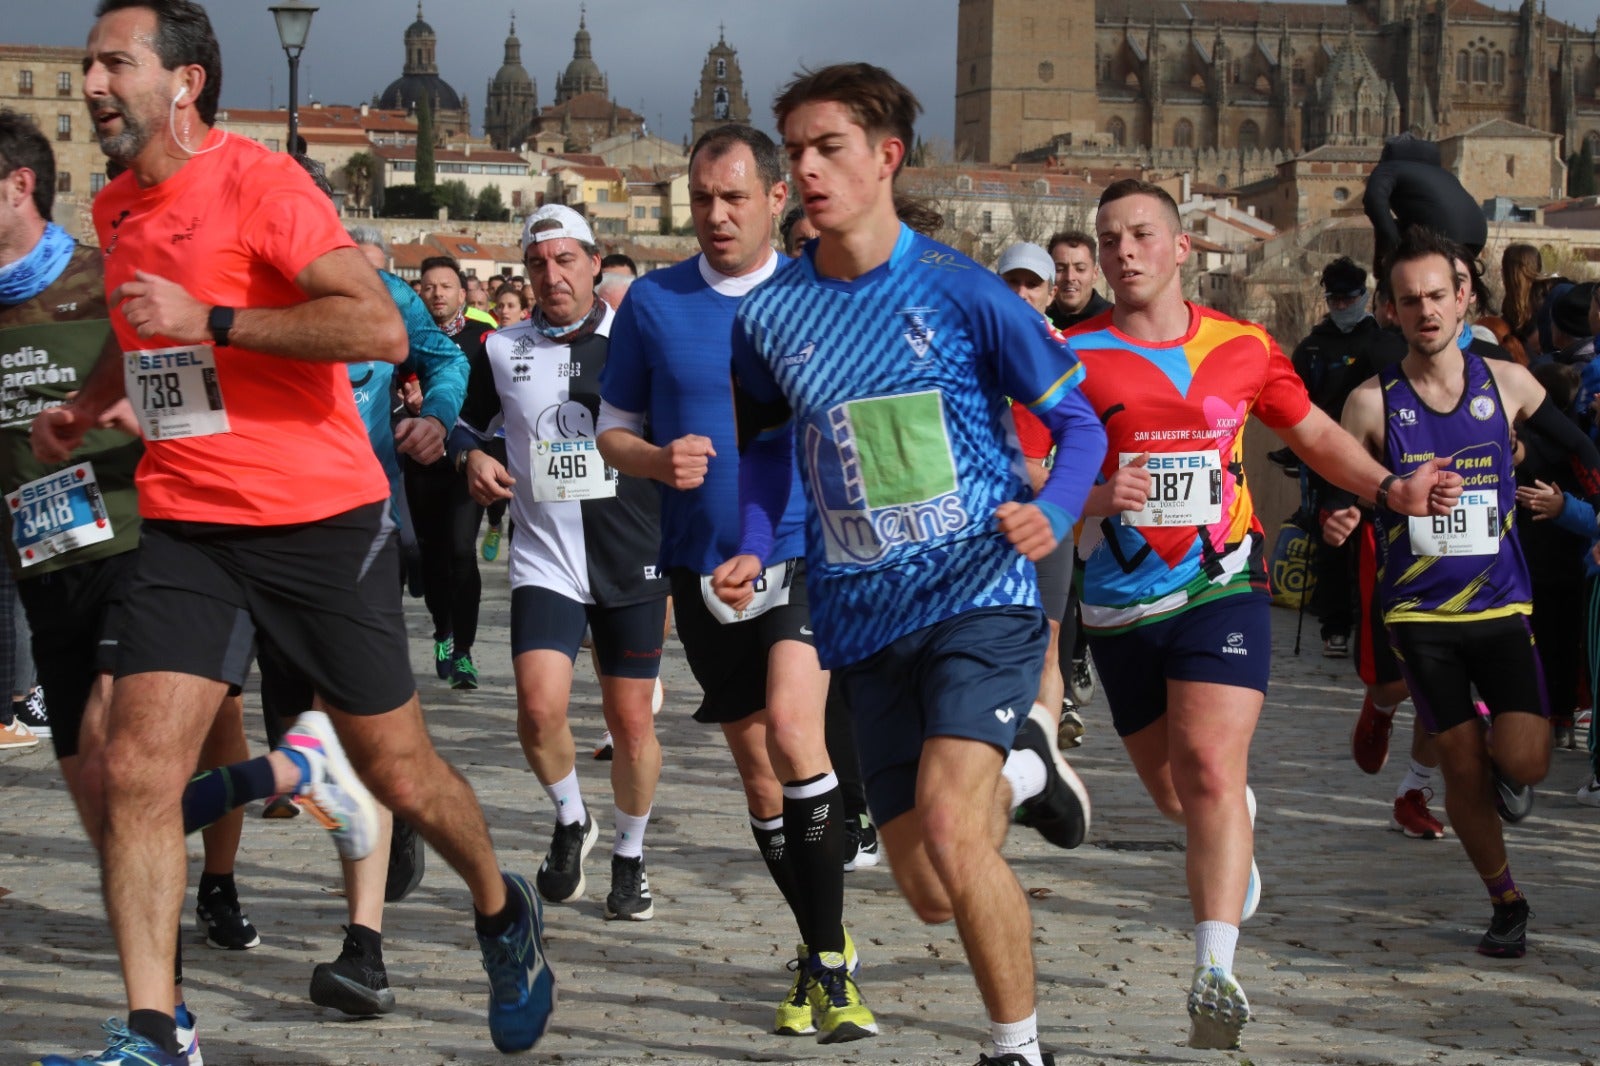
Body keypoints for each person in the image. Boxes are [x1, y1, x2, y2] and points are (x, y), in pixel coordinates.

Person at [31, 4, 553, 1061]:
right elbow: (143, 328)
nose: (89, 82)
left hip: (319, 521)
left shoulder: (264, 185)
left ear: (183, 82)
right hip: (184, 520)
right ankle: (152, 1030)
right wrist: (90, 404)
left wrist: (215, 321)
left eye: (110, 63)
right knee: (134, 768)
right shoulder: (119, 202)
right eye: (87, 62)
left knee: (396, 769)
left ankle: (502, 908)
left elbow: (373, 325)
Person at [710, 69, 1103, 1066]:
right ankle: (1025, 766)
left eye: (826, 146)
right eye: (793, 149)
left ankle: (1017, 1049)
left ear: (885, 157)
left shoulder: (963, 292)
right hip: (861, 618)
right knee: (928, 887)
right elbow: (761, 448)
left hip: (979, 594)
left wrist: (1053, 510)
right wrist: (754, 539)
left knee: (945, 821)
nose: (803, 168)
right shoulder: (769, 316)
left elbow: (1076, 421)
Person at [1068, 179, 1459, 1050]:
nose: (1122, 252)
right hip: (1122, 604)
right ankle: (1228, 825)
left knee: (1206, 766)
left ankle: (1215, 967)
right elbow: (1024, 470)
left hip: (1223, 586)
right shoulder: (1068, 354)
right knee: (1179, 794)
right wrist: (1095, 492)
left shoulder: (1243, 346)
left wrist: (1391, 486)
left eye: (1139, 235)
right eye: (1108, 240)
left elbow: (1314, 434)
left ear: (1181, 249)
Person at [598, 123, 879, 1043]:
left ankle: (832, 967)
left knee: (797, 733)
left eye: (733, 198)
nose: (716, 216)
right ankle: (817, 946)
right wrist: (654, 458)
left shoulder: (824, 295)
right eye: (701, 201)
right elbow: (611, 432)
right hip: (700, 563)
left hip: (809, 553)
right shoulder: (652, 304)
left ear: (774, 201)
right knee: (761, 775)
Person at [1334, 225, 1600, 962]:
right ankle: (1506, 901)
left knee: (1529, 761)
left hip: (1502, 605)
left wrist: (1522, 456)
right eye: (1408, 300)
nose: (1424, 311)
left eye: (1436, 297)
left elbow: (1574, 445)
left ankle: (1503, 765)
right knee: (1459, 765)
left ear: (1464, 300)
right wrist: (1346, 510)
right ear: (1390, 310)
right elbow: (1342, 483)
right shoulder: (1370, 403)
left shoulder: (1507, 383)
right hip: (1419, 615)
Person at [451, 204, 669, 922]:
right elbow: (467, 427)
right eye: (539, 264)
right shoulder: (499, 348)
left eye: (566, 260)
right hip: (545, 556)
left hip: (632, 555)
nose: (552, 276)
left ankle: (631, 855)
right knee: (539, 710)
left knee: (631, 723)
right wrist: (472, 458)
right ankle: (572, 818)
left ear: (594, 264)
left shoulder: (639, 341)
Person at [1289, 257, 1407, 659]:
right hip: (1329, 460)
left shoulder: (1386, 342)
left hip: (1381, 459)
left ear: (1363, 296)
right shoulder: (1313, 346)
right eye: (1334, 300)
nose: (1341, 307)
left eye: (1348, 299)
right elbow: (1294, 402)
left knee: (1381, 543)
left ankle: (1381, 621)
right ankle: (1336, 626)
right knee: (1332, 544)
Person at [993, 242, 1078, 740]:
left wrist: (1058, 476)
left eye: (1033, 285)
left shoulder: (1065, 354)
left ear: (1051, 294)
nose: (1022, 294)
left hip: (1046, 517)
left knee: (1047, 641)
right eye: (1013, 283)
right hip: (982, 518)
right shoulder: (969, 347)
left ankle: (1043, 757)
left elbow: (1087, 432)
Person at [409, 255, 492, 688]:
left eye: (446, 286)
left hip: (466, 460)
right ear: (418, 294)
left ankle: (464, 652)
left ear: (463, 295)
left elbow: (501, 405)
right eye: (429, 286)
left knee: (462, 550)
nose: (437, 293)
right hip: (420, 461)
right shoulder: (404, 338)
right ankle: (443, 630)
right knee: (430, 554)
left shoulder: (486, 339)